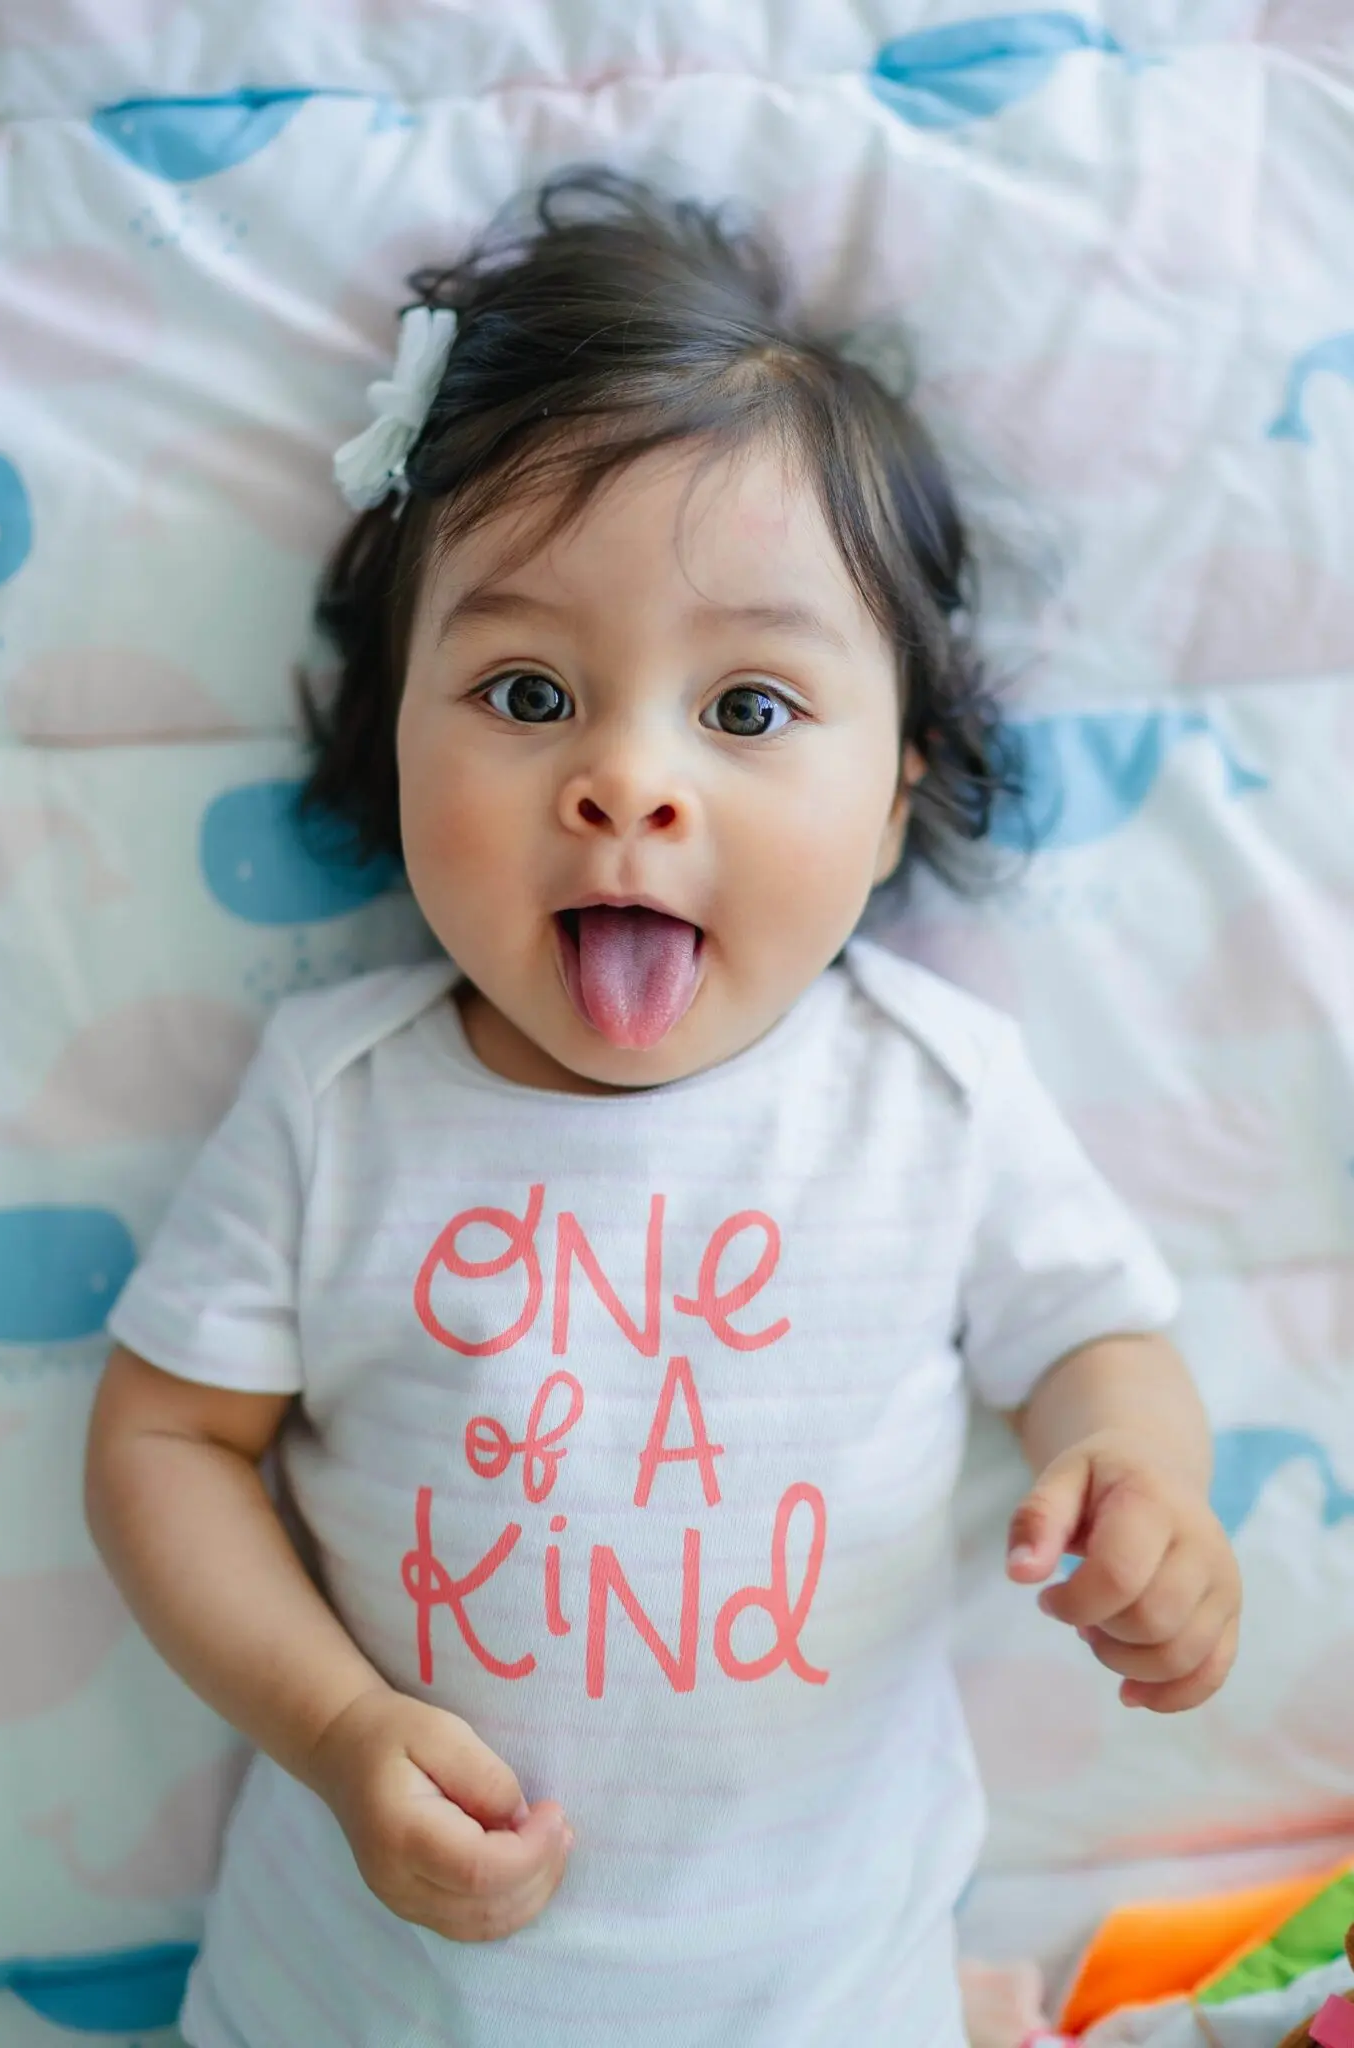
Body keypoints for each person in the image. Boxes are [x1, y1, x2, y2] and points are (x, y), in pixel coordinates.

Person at [84, 169, 1241, 2048]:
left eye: (753, 711)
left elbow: (1099, 1339)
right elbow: (164, 1446)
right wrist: (338, 1723)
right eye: (528, 689)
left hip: (821, 2002)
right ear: (393, 735)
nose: (627, 781)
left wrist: (1145, 1487)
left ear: (893, 800)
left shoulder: (935, 1097)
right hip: (364, 2005)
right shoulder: (341, 1102)